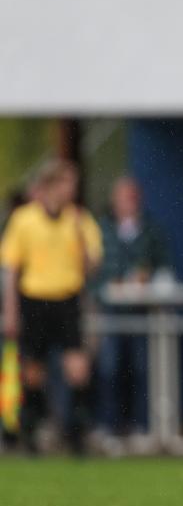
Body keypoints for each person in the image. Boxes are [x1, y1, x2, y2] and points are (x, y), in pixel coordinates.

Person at [0, 159, 103, 453]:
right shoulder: (24, 220)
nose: (71, 189)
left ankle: (77, 434)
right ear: (50, 186)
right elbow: (10, 270)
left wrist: (82, 242)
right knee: (33, 371)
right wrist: (10, 311)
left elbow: (93, 267)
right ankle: (31, 433)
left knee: (77, 368)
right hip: (34, 300)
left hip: (67, 300)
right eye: (66, 183)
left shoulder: (79, 220)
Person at [93, 176, 172, 439]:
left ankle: (142, 427)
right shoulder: (100, 229)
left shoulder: (151, 229)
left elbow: (164, 267)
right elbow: (92, 272)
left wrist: (147, 276)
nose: (129, 203)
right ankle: (109, 427)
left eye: (133, 197)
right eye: (124, 197)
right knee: (109, 368)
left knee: (143, 368)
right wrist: (107, 284)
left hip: (142, 309)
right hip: (111, 311)